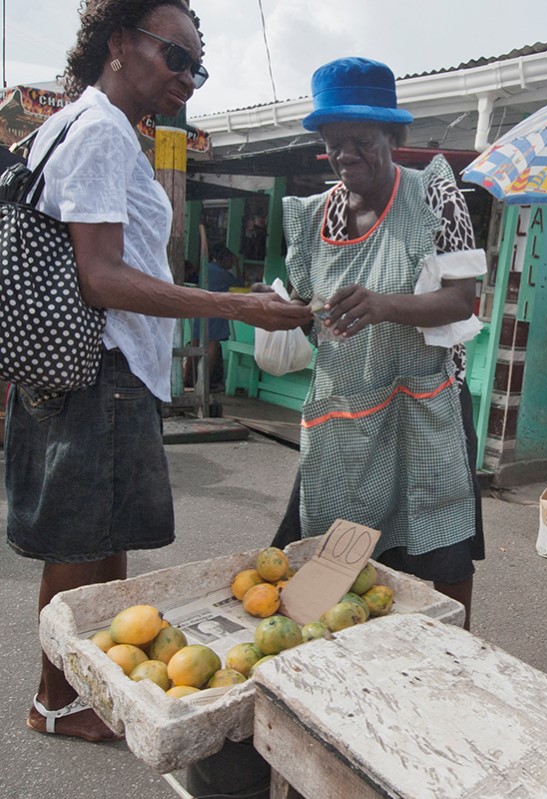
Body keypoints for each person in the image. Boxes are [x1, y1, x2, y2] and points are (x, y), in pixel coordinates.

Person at [7, 0, 311, 743]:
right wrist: (233, 306)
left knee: (103, 541)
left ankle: (87, 689)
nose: (189, 77)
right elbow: (102, 276)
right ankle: (57, 701)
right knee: (82, 546)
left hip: (89, 367)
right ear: (118, 43)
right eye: (175, 56)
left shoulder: (79, 126)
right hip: (96, 368)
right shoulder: (103, 132)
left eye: (197, 66)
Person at [273, 57, 485, 628]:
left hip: (424, 403)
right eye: (333, 144)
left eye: (360, 141)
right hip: (345, 408)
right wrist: (275, 310)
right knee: (326, 555)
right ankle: (327, 662)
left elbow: (463, 298)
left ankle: (455, 655)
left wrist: (383, 305)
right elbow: (299, 304)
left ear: (394, 135)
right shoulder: (313, 216)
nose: (345, 156)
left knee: (443, 545)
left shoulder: (433, 196)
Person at [186, 242, 244, 388]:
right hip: (215, 310)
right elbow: (240, 284)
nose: (231, 263)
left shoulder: (206, 268)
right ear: (223, 258)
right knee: (212, 344)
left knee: (195, 341)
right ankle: (203, 381)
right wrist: (237, 266)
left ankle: (187, 378)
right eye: (230, 260)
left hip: (200, 307)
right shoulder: (223, 274)